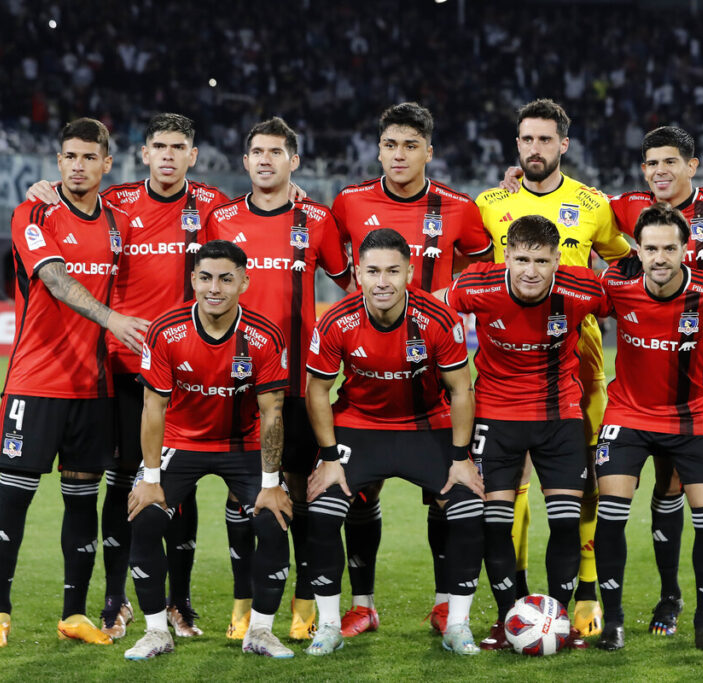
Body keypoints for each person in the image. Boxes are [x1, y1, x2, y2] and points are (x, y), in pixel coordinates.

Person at [25, 113, 233, 640]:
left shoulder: (211, 206)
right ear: (143, 154)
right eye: (158, 145)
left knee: (178, 489)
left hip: (184, 368)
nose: (167, 155)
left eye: (178, 146)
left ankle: (181, 603)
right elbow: (69, 209)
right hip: (120, 366)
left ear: (193, 154)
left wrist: (292, 187)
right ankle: (116, 601)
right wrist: (42, 192)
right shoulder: (114, 202)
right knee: (123, 486)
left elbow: (257, 217)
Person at [0, 118, 149, 649]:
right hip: (34, 385)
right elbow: (52, 279)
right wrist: (112, 321)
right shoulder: (35, 212)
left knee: (82, 504)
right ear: (58, 162)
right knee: (15, 497)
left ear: (106, 164)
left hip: (91, 389)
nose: (76, 166)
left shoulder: (119, 224)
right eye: (68, 157)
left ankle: (74, 614)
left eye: (86, 157)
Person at [330, 102, 493, 636]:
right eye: (390, 145)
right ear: (379, 149)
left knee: (446, 492)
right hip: (367, 379)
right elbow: (338, 267)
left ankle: (446, 602)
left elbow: (482, 262)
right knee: (359, 493)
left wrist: (444, 295)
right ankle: (363, 603)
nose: (399, 155)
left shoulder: (459, 207)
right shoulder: (350, 202)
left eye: (411, 146)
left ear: (430, 150)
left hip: (434, 382)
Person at [477, 99, 632, 638]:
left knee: (584, 483)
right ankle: (519, 602)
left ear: (563, 144)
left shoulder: (593, 204)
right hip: (506, 371)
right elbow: (465, 267)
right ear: (516, 145)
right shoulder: (489, 203)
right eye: (527, 140)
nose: (535, 149)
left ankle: (585, 593)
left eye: (546, 140)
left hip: (578, 367)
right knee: (509, 492)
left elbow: (623, 261)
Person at [605, 126, 703, 638]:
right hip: (664, 373)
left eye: (670, 162)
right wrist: (517, 183)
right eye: (651, 163)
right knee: (669, 480)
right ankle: (671, 598)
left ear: (692, 165)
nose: (659, 172)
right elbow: (575, 206)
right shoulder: (627, 206)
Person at [303, 228, 485, 656]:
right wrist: (329, 458)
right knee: (324, 511)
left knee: (468, 506)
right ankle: (332, 623)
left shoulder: (439, 319)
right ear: (359, 275)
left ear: (408, 274)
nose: (382, 281)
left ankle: (456, 623)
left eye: (392, 271)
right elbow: (317, 391)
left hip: (427, 424)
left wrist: (460, 458)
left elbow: (462, 389)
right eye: (372, 271)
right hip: (360, 423)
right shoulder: (335, 320)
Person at [205, 116, 350, 640]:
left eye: (276, 152)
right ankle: (243, 602)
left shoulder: (318, 219)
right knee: (241, 495)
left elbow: (350, 282)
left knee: (303, 491)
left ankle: (305, 601)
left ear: (295, 161)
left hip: (297, 385)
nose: (266, 160)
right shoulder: (219, 219)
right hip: (234, 383)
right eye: (257, 152)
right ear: (245, 162)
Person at [444, 215, 613, 650]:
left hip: (560, 420)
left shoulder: (581, 288)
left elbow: (637, 299)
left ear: (559, 259)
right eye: (521, 259)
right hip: (496, 419)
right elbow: (430, 306)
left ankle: (555, 620)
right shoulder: (477, 286)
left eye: (541, 260)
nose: (531, 270)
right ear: (506, 255)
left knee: (565, 525)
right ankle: (506, 621)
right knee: (495, 526)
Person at [123, 239, 294, 660]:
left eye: (225, 278)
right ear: (192, 280)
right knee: (144, 517)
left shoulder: (264, 335)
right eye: (204, 278)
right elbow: (152, 406)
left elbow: (272, 413)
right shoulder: (166, 330)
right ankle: (155, 632)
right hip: (182, 441)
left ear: (244, 282)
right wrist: (149, 478)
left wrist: (271, 483)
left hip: (244, 442)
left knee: (274, 517)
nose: (214, 288)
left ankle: (262, 632)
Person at [593, 202, 703, 652]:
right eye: (651, 248)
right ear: (637, 249)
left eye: (669, 249)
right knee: (612, 515)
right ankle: (614, 621)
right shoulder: (616, 286)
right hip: (628, 414)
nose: (659, 258)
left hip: (693, 416)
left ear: (684, 249)